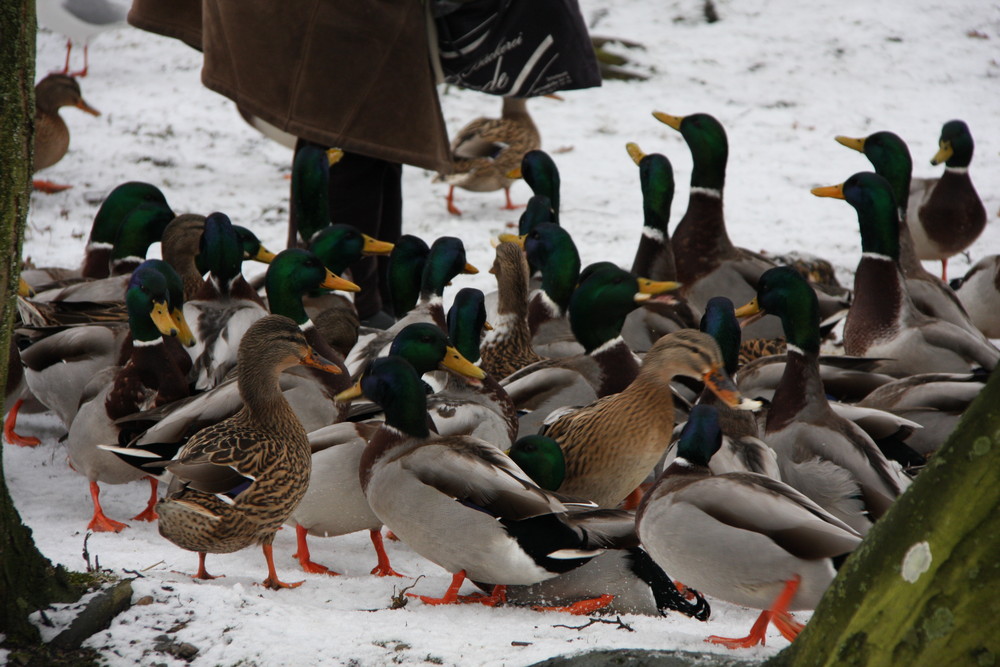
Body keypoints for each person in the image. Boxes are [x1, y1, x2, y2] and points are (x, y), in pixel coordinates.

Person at [127, 0, 452, 327]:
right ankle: (360, 308)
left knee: (371, 134)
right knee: (353, 130)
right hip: (343, 21)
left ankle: (371, 298)